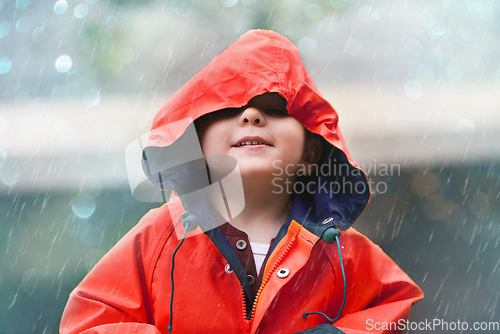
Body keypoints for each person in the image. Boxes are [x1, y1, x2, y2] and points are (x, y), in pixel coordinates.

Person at [60, 29, 423, 334]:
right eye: (229, 109)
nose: (250, 115)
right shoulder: (159, 237)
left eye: (276, 109)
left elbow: (393, 305)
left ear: (313, 152)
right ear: (197, 144)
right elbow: (90, 320)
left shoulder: (341, 253)